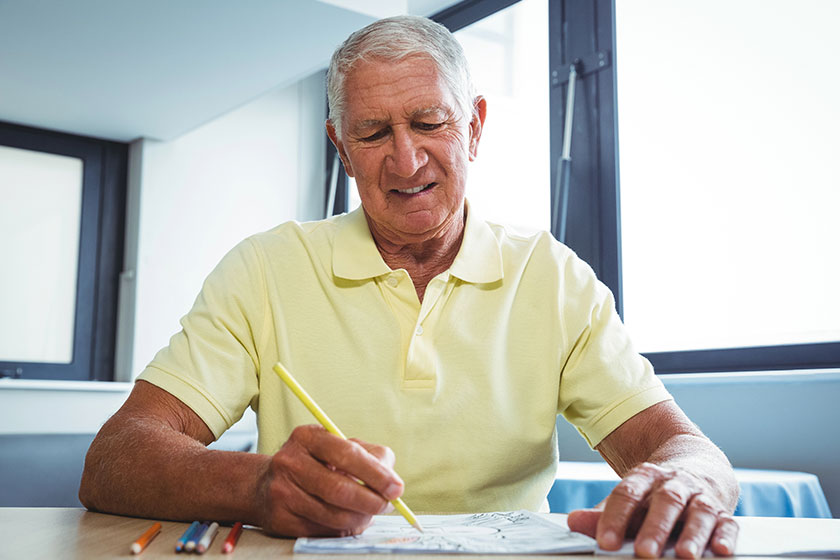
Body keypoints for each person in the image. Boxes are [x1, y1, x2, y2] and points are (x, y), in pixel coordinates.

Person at [79, 15, 738, 558]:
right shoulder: (263, 269)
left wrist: (687, 479)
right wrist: (255, 486)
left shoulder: (552, 276)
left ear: (474, 126)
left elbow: (682, 447)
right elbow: (114, 458)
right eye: (373, 133)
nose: (407, 159)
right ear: (341, 147)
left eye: (429, 123)